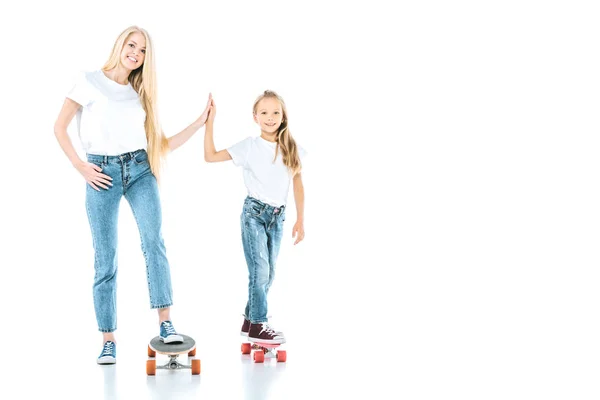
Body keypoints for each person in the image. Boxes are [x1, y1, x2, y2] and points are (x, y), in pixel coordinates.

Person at [53, 26, 212, 364]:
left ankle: (166, 322)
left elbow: (161, 146)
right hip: (101, 174)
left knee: (154, 242)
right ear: (120, 44)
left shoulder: (140, 94)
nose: (136, 54)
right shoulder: (89, 80)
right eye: (132, 45)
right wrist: (80, 166)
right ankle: (108, 339)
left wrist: (199, 123)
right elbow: (59, 126)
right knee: (105, 257)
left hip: (140, 170)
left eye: (142, 51)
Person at [203, 90, 306, 344]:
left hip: (278, 218)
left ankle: (250, 320)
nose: (270, 117)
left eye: (275, 112)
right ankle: (259, 324)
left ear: (283, 117)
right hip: (254, 215)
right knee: (260, 272)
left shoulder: (291, 147)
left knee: (269, 274)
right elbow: (210, 156)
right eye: (264, 112)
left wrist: (300, 219)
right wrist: (210, 122)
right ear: (255, 117)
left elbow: (298, 183)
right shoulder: (249, 146)